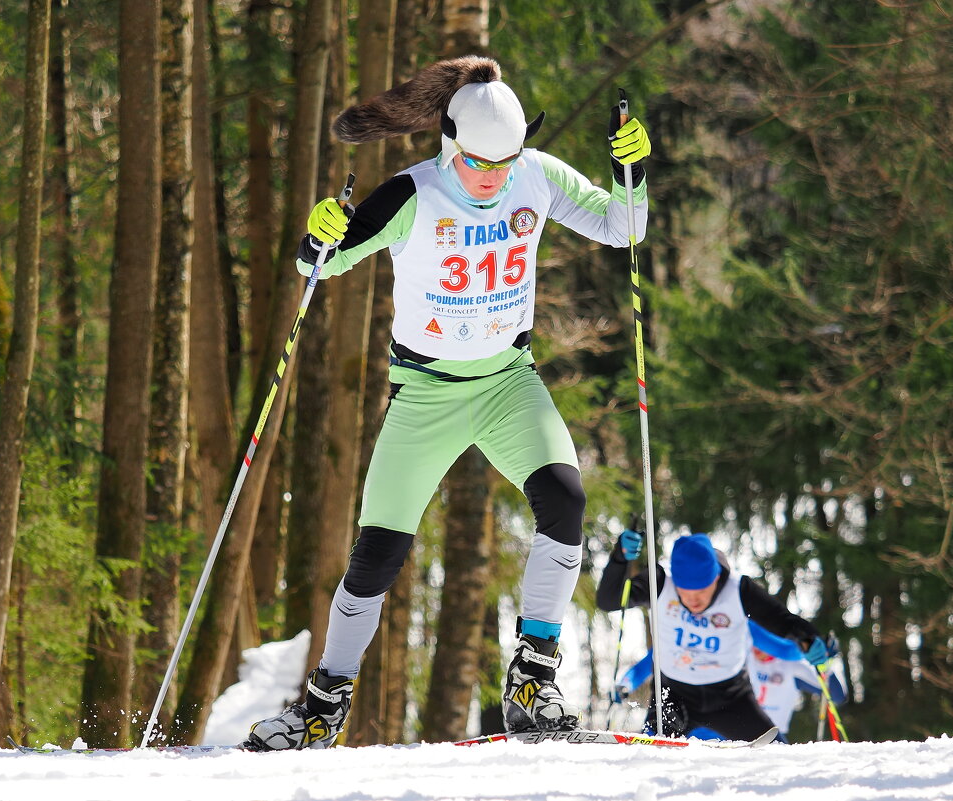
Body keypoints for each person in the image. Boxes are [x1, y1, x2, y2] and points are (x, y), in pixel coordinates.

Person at [244, 56, 651, 750]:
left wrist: (629, 174)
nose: (492, 178)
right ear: (449, 141)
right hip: (425, 395)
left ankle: (532, 680)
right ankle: (322, 707)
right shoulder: (412, 194)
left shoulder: (537, 175)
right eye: (478, 163)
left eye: (504, 162)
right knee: (378, 552)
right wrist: (320, 234)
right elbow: (319, 266)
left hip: (506, 382)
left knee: (564, 500)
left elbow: (623, 228)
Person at [596, 530, 835, 742]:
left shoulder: (738, 589)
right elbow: (608, 600)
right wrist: (619, 559)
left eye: (701, 591)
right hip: (674, 696)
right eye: (684, 592)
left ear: (716, 578)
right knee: (649, 756)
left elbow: (782, 620)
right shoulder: (660, 581)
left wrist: (809, 640)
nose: (693, 601)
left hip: (730, 697)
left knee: (777, 753)